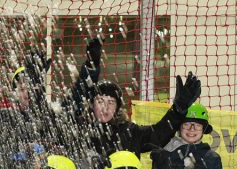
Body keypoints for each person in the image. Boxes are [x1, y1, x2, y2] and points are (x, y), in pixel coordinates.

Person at [71, 38, 201, 159]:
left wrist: (178, 109)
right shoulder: (80, 129)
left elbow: (159, 134)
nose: (105, 107)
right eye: (100, 101)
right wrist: (90, 68)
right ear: (92, 104)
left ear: (117, 108)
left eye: (111, 102)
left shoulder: (129, 132)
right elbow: (76, 98)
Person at [160, 103, 226, 169]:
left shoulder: (212, 158)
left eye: (197, 125)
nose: (192, 129)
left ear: (204, 129)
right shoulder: (166, 153)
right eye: (186, 124)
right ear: (179, 127)